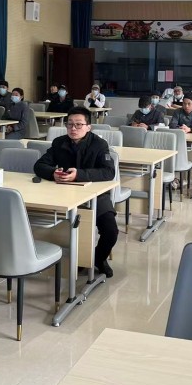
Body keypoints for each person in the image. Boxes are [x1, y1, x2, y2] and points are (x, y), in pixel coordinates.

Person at [34, 107, 118, 278]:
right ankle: (70, 258)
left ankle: (97, 259)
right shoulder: (59, 143)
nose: (73, 128)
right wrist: (53, 173)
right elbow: (39, 165)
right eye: (70, 124)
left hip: (95, 195)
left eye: (79, 124)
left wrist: (78, 175)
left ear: (89, 127)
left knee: (111, 231)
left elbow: (109, 172)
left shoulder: (99, 144)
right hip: (63, 195)